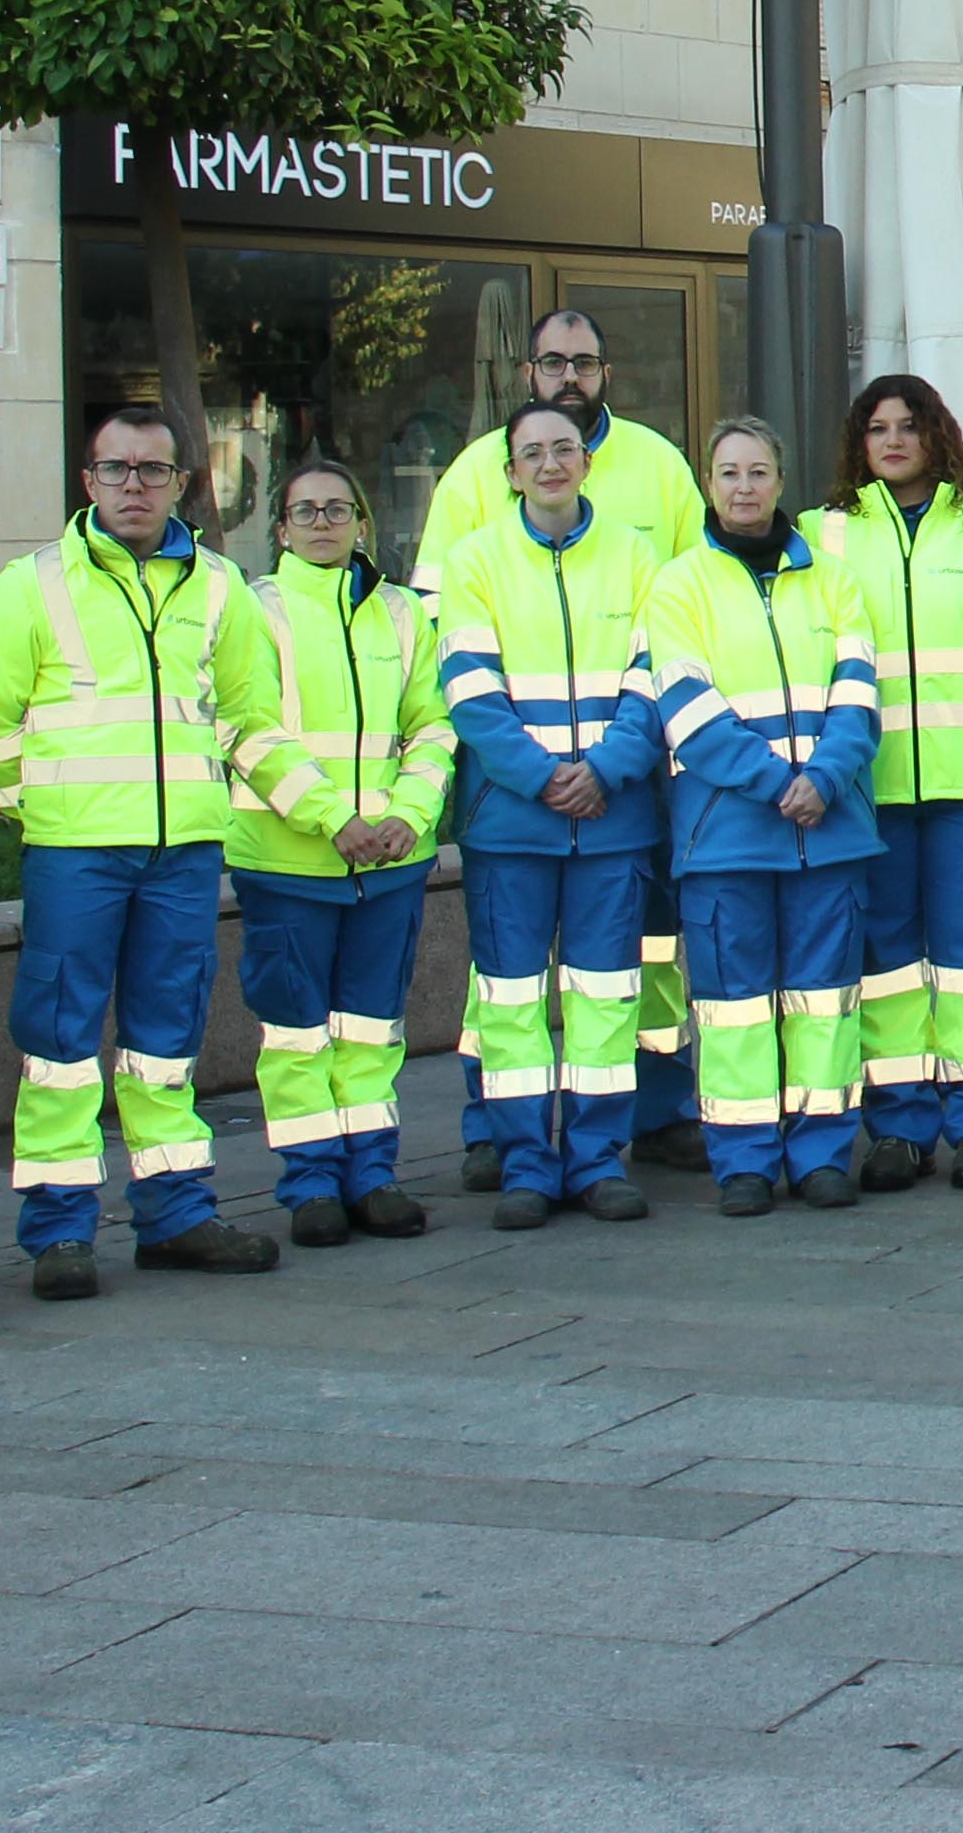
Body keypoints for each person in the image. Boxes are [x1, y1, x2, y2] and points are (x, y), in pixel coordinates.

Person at [0, 403, 288, 1299]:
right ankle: (61, 1234)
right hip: (76, 851)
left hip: (182, 849)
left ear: (182, 483)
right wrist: (40, 808)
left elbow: (251, 717)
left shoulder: (220, 585)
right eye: (116, 470)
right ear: (87, 480)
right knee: (60, 1043)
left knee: (166, 1041)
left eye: (153, 471)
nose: (133, 486)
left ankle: (176, 1215)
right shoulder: (30, 585)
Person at [414, 311, 704, 1183]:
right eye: (551, 361)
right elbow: (454, 658)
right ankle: (506, 1146)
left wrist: (611, 767)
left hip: (621, 799)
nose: (567, 376)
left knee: (626, 981)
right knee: (503, 994)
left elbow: (679, 637)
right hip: (514, 806)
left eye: (583, 361)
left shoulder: (655, 473)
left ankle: (620, 1139)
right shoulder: (473, 501)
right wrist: (539, 776)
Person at [644, 418, 883, 1215]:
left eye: (758, 471)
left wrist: (824, 777)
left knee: (826, 1006)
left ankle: (820, 1155)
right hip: (730, 837)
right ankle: (743, 1159)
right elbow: (684, 707)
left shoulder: (833, 580)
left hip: (828, 830)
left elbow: (858, 694)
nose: (743, 487)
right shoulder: (679, 584)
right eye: (727, 473)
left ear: (782, 481)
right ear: (708, 486)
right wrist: (780, 783)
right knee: (734, 1011)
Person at [223, 455, 453, 1250]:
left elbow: (433, 725)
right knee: (295, 1033)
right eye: (306, 512)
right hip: (290, 860)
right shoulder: (256, 611)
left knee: (372, 1028)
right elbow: (247, 728)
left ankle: (373, 1174)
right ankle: (312, 1181)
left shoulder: (402, 614)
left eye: (338, 509)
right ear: (281, 529)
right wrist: (332, 818)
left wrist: (410, 814)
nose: (324, 523)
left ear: (363, 521)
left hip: (389, 861)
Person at [818, 374, 963, 1189]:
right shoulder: (825, 531)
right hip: (869, 791)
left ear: (938, 431)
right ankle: (899, 1127)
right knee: (888, 965)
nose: (894, 440)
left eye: (909, 425)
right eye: (877, 428)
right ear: (858, 443)